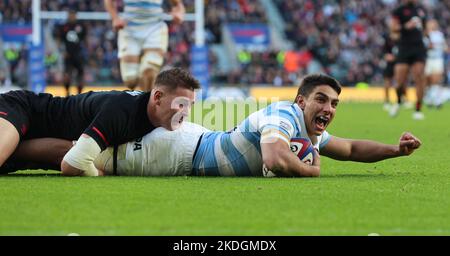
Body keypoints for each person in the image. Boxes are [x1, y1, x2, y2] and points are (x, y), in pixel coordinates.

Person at [3, 74, 422, 177]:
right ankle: (13, 153)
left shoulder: (304, 127)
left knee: (96, 152)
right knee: (97, 157)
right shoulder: (282, 115)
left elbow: (347, 148)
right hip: (182, 152)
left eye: (334, 103)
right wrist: (309, 170)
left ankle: (14, 148)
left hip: (195, 141)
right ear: (301, 101)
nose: (328, 108)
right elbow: (277, 159)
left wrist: (393, 149)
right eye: (321, 100)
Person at [0, 68, 200, 176]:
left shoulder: (153, 118)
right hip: (24, 109)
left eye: (190, 105)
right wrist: (99, 173)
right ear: (157, 97)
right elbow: (71, 164)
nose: (187, 113)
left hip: (41, 141)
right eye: (181, 104)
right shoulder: (122, 111)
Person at [104, 0, 185, 91]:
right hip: (129, 29)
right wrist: (115, 18)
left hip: (155, 29)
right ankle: (142, 88)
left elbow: (178, 4)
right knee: (130, 80)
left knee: (149, 71)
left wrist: (178, 12)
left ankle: (145, 102)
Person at [390, 0, 428, 120]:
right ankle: (398, 101)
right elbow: (394, 28)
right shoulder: (399, 10)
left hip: (418, 47)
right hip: (404, 47)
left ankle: (418, 109)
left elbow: (425, 28)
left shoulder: (421, 10)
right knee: (400, 81)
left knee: (419, 77)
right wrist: (406, 26)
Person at [56, 10, 87, 96]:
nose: (72, 16)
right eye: (70, 14)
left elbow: (85, 39)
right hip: (68, 55)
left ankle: (80, 94)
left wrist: (86, 51)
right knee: (67, 75)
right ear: (68, 15)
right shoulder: (64, 26)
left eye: (73, 14)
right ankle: (67, 93)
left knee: (80, 75)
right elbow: (59, 40)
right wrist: (62, 51)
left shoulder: (81, 26)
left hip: (78, 54)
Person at [423, 19, 448, 108]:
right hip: (427, 59)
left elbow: (444, 47)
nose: (433, 25)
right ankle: (429, 99)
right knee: (427, 80)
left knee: (436, 80)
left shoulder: (439, 35)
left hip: (437, 59)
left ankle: (437, 100)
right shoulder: (425, 34)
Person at [382, 31, 399, 111]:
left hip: (399, 63)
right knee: (387, 83)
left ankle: (400, 100)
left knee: (400, 82)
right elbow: (384, 53)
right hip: (389, 64)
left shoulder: (402, 38)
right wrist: (386, 56)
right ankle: (386, 101)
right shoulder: (387, 39)